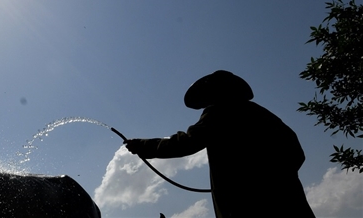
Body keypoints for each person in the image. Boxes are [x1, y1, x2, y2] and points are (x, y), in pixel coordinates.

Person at [124, 70, 315, 218]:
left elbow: (186, 143)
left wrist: (142, 146)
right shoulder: (262, 114)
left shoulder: (219, 113)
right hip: (291, 204)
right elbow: (297, 153)